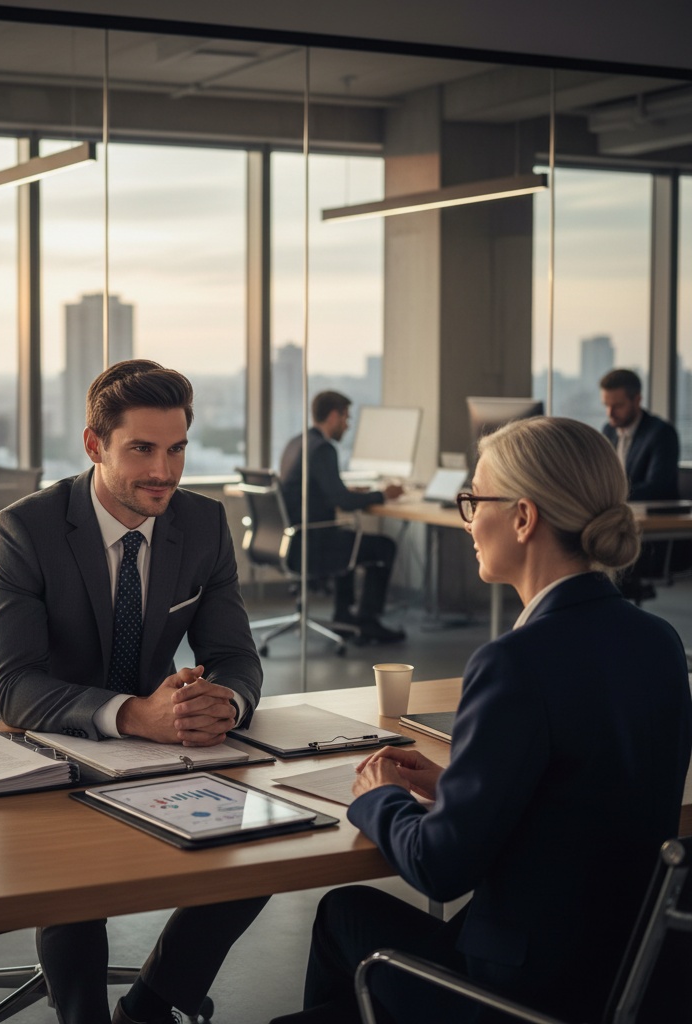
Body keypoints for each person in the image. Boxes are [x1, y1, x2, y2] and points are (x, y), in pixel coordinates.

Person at [271, 416, 692, 1024]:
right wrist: (460, 786)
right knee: (346, 916)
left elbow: (440, 868)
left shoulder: (514, 662)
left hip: (518, 992)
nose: (468, 519)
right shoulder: (658, 641)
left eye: (474, 500)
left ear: (523, 519)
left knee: (342, 920)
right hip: (620, 972)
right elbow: (594, 791)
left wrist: (379, 796)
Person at [0, 359, 267, 1024]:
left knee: (262, 846)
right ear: (95, 445)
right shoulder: (25, 530)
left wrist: (226, 702)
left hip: (151, 744)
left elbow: (236, 656)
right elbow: (13, 684)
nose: (164, 471)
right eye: (142, 450)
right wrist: (135, 715)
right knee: (75, 873)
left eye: (177, 449)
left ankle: (153, 1003)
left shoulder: (204, 525)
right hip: (29, 738)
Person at [278, 391, 405, 645]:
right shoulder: (324, 448)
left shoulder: (297, 442)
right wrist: (383, 494)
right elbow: (342, 502)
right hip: (311, 543)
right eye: (346, 418)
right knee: (383, 547)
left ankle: (344, 615)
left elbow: (320, 490)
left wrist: (350, 491)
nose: (347, 425)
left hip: (291, 540)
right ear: (334, 416)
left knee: (347, 540)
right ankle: (368, 621)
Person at [599, 367, 679, 500]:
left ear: (637, 400)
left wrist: (607, 497)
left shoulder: (661, 433)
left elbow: (656, 488)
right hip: (617, 512)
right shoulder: (608, 430)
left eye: (618, 406)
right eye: (606, 405)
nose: (610, 413)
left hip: (656, 517)